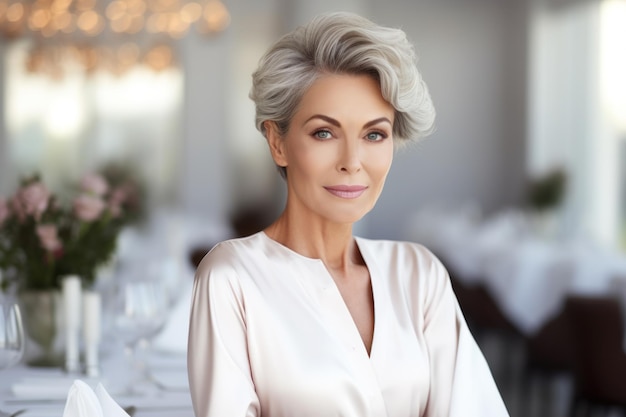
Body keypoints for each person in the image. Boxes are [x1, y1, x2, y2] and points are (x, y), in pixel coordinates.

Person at [187, 11, 509, 417]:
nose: (353, 161)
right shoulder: (231, 278)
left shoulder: (419, 275)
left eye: (374, 134)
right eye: (324, 132)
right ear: (278, 142)